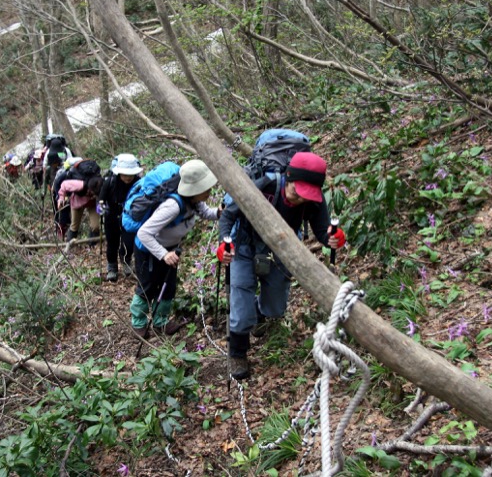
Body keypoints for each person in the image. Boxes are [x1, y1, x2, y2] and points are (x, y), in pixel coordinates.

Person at [217, 151, 346, 380]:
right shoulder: (265, 185)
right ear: (289, 178)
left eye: (306, 195)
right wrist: (224, 244)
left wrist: (332, 239)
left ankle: (256, 313)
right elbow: (228, 216)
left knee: (275, 308)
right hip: (244, 246)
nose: (300, 199)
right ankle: (237, 353)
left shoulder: (313, 199)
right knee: (241, 310)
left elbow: (322, 230)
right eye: (297, 192)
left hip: (281, 248)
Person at [130, 159, 220, 338]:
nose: (210, 191)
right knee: (147, 288)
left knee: (168, 287)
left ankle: (160, 322)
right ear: (195, 189)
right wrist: (163, 254)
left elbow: (206, 213)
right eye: (206, 188)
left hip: (170, 250)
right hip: (149, 251)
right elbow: (143, 233)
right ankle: (138, 324)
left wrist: (219, 212)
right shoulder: (172, 206)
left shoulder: (194, 201)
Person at [99, 153, 143, 282]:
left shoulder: (138, 183)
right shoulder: (110, 182)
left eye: (130, 175)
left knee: (128, 242)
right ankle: (112, 267)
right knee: (112, 243)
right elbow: (101, 199)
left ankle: (126, 261)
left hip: (129, 218)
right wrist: (100, 207)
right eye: (125, 174)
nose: (128, 178)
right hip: (111, 216)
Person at [57, 166, 103, 242]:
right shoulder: (79, 185)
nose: (93, 195)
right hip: (77, 202)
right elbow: (64, 185)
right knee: (74, 226)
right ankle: (70, 244)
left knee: (95, 227)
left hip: (92, 204)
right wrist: (61, 198)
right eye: (93, 194)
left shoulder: (101, 186)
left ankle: (92, 245)